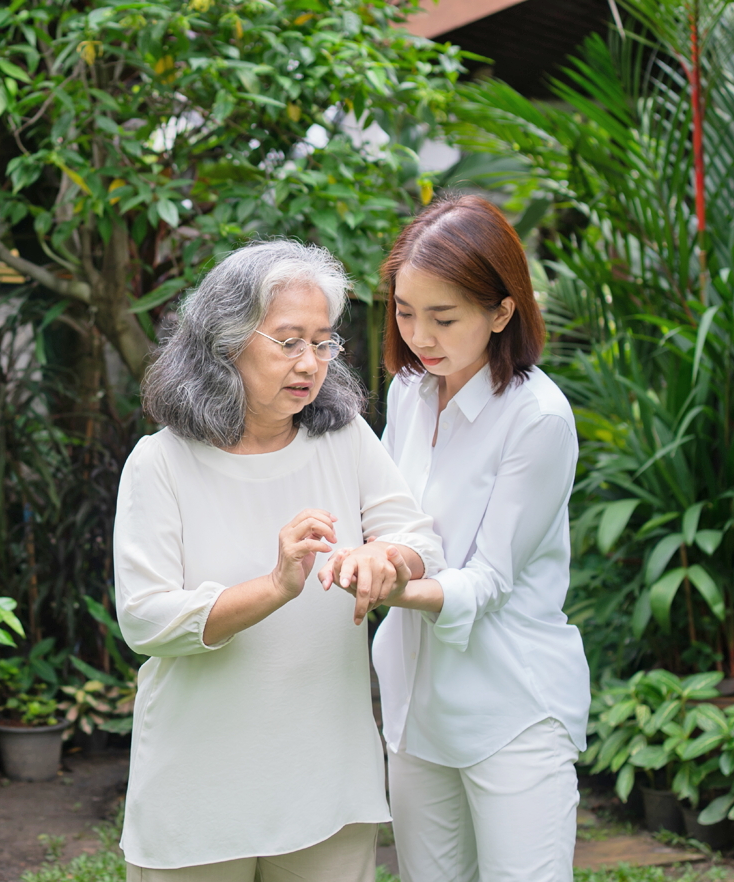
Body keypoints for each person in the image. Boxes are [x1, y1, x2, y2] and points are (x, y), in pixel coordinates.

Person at [114, 239, 447, 881]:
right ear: (226, 342)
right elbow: (146, 620)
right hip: (198, 785)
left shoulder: (344, 437)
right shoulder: (161, 463)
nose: (310, 363)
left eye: (324, 343)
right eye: (289, 341)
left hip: (327, 777)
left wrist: (387, 557)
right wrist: (274, 585)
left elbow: (418, 539)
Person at [324, 195, 590, 881]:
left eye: (443, 318)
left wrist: (388, 581)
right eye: (405, 313)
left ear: (501, 312)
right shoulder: (412, 392)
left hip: (512, 706)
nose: (419, 336)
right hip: (414, 703)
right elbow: (384, 517)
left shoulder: (536, 419)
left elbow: (487, 581)